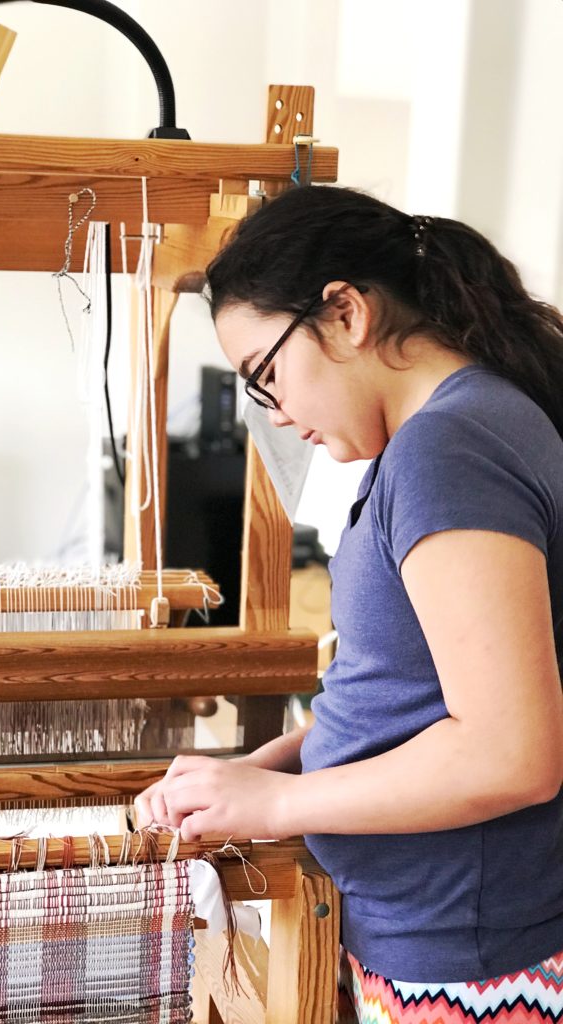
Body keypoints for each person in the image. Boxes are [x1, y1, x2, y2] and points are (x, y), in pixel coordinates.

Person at [135, 185, 563, 1022]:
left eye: (267, 374)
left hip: (465, 959)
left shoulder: (449, 451)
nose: (276, 413)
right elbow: (413, 691)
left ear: (345, 313)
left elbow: (511, 751)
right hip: (447, 935)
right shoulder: (459, 432)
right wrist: (276, 764)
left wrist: (280, 805)